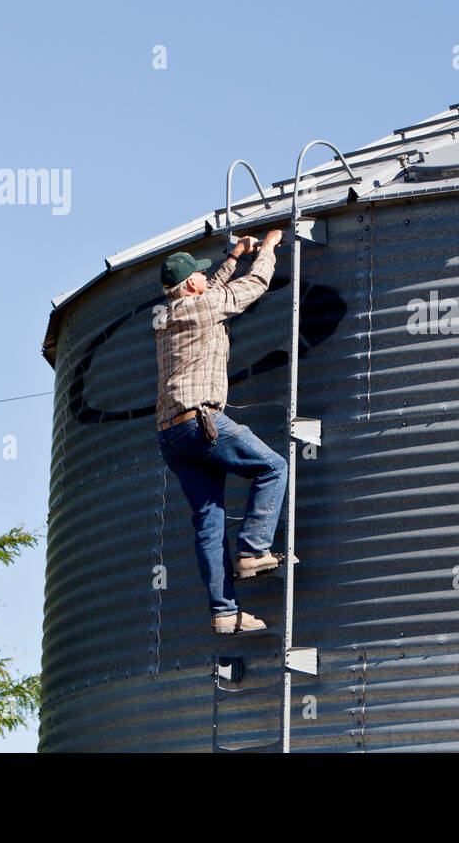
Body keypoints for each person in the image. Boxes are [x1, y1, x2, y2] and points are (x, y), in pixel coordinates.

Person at [153, 228, 289, 635]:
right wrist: (266, 251)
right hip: (201, 423)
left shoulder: (173, 312)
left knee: (208, 524)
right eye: (199, 274)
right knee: (273, 467)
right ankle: (253, 551)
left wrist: (233, 256)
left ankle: (225, 612)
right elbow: (253, 287)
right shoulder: (203, 307)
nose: (203, 278)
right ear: (190, 283)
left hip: (171, 437)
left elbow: (210, 290)